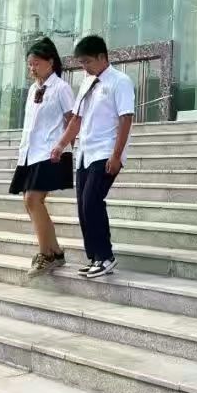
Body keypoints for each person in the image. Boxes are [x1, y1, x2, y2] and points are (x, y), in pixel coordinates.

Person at [50, 35, 135, 279]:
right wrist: (61, 145)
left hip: (106, 152)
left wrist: (116, 156)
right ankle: (96, 257)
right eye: (81, 62)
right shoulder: (87, 83)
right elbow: (76, 119)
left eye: (87, 61)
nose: (84, 67)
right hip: (85, 153)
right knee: (83, 207)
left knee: (92, 202)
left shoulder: (120, 81)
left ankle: (106, 256)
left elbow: (126, 118)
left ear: (101, 57)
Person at [9, 37, 75, 277]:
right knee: (29, 201)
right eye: (29, 64)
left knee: (32, 200)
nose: (32, 68)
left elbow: (73, 120)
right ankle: (54, 252)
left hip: (51, 152)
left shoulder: (61, 88)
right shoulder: (33, 89)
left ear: (50, 62)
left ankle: (47, 254)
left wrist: (64, 146)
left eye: (36, 63)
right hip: (31, 152)